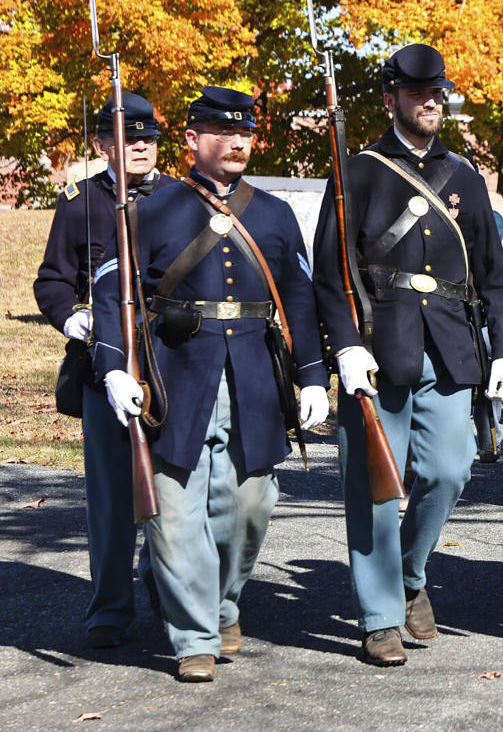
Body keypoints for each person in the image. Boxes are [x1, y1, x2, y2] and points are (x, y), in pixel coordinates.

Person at [93, 86, 330, 680]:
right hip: (175, 378)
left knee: (248, 509)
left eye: (246, 132)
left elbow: (298, 297)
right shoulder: (151, 209)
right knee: (173, 513)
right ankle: (194, 635)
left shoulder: (273, 214)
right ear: (193, 141)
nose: (239, 142)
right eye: (224, 133)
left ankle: (223, 604)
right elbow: (110, 292)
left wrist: (312, 377)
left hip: (253, 380)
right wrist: (115, 366)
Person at [311, 44, 503, 668]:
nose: (431, 101)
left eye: (438, 92)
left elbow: (495, 274)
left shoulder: (465, 177)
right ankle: (379, 617)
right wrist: (344, 344)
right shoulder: (358, 172)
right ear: (390, 97)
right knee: (372, 484)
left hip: (451, 347)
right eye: (418, 92)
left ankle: (408, 571)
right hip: (377, 347)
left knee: (451, 471)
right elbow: (328, 272)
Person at [33, 93, 173, 650]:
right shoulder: (79, 202)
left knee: (175, 486)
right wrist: (77, 321)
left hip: (172, 363)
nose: (140, 146)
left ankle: (166, 587)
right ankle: (111, 606)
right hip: (103, 369)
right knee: (112, 497)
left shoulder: (182, 198)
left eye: (149, 137)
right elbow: (52, 281)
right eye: (126, 136)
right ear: (100, 144)